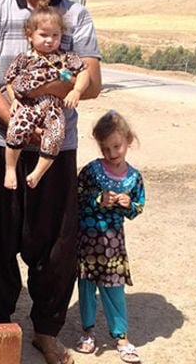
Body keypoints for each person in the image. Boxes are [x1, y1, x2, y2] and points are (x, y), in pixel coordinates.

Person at [0, 0, 101, 364]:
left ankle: (45, 330)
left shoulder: (77, 17)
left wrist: (45, 109)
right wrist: (26, 124)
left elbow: (93, 81)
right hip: (1, 144)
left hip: (57, 153)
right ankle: (0, 327)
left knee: (57, 246)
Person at [75, 110, 145, 363]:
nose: (112, 153)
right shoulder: (92, 171)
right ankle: (88, 333)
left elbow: (138, 208)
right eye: (106, 149)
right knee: (86, 288)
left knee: (115, 289)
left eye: (117, 146)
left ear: (128, 141)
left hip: (114, 244)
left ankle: (121, 337)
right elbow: (76, 198)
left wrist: (128, 205)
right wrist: (96, 199)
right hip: (88, 242)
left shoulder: (134, 177)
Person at [4, 3, 90, 189]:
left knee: (56, 135)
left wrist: (76, 91)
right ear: (30, 34)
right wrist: (14, 100)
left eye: (55, 35)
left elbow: (84, 73)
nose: (50, 40)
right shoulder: (24, 58)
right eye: (44, 35)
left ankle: (37, 173)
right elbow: (9, 80)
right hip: (28, 104)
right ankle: (10, 169)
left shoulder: (66, 58)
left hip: (53, 106)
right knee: (17, 127)